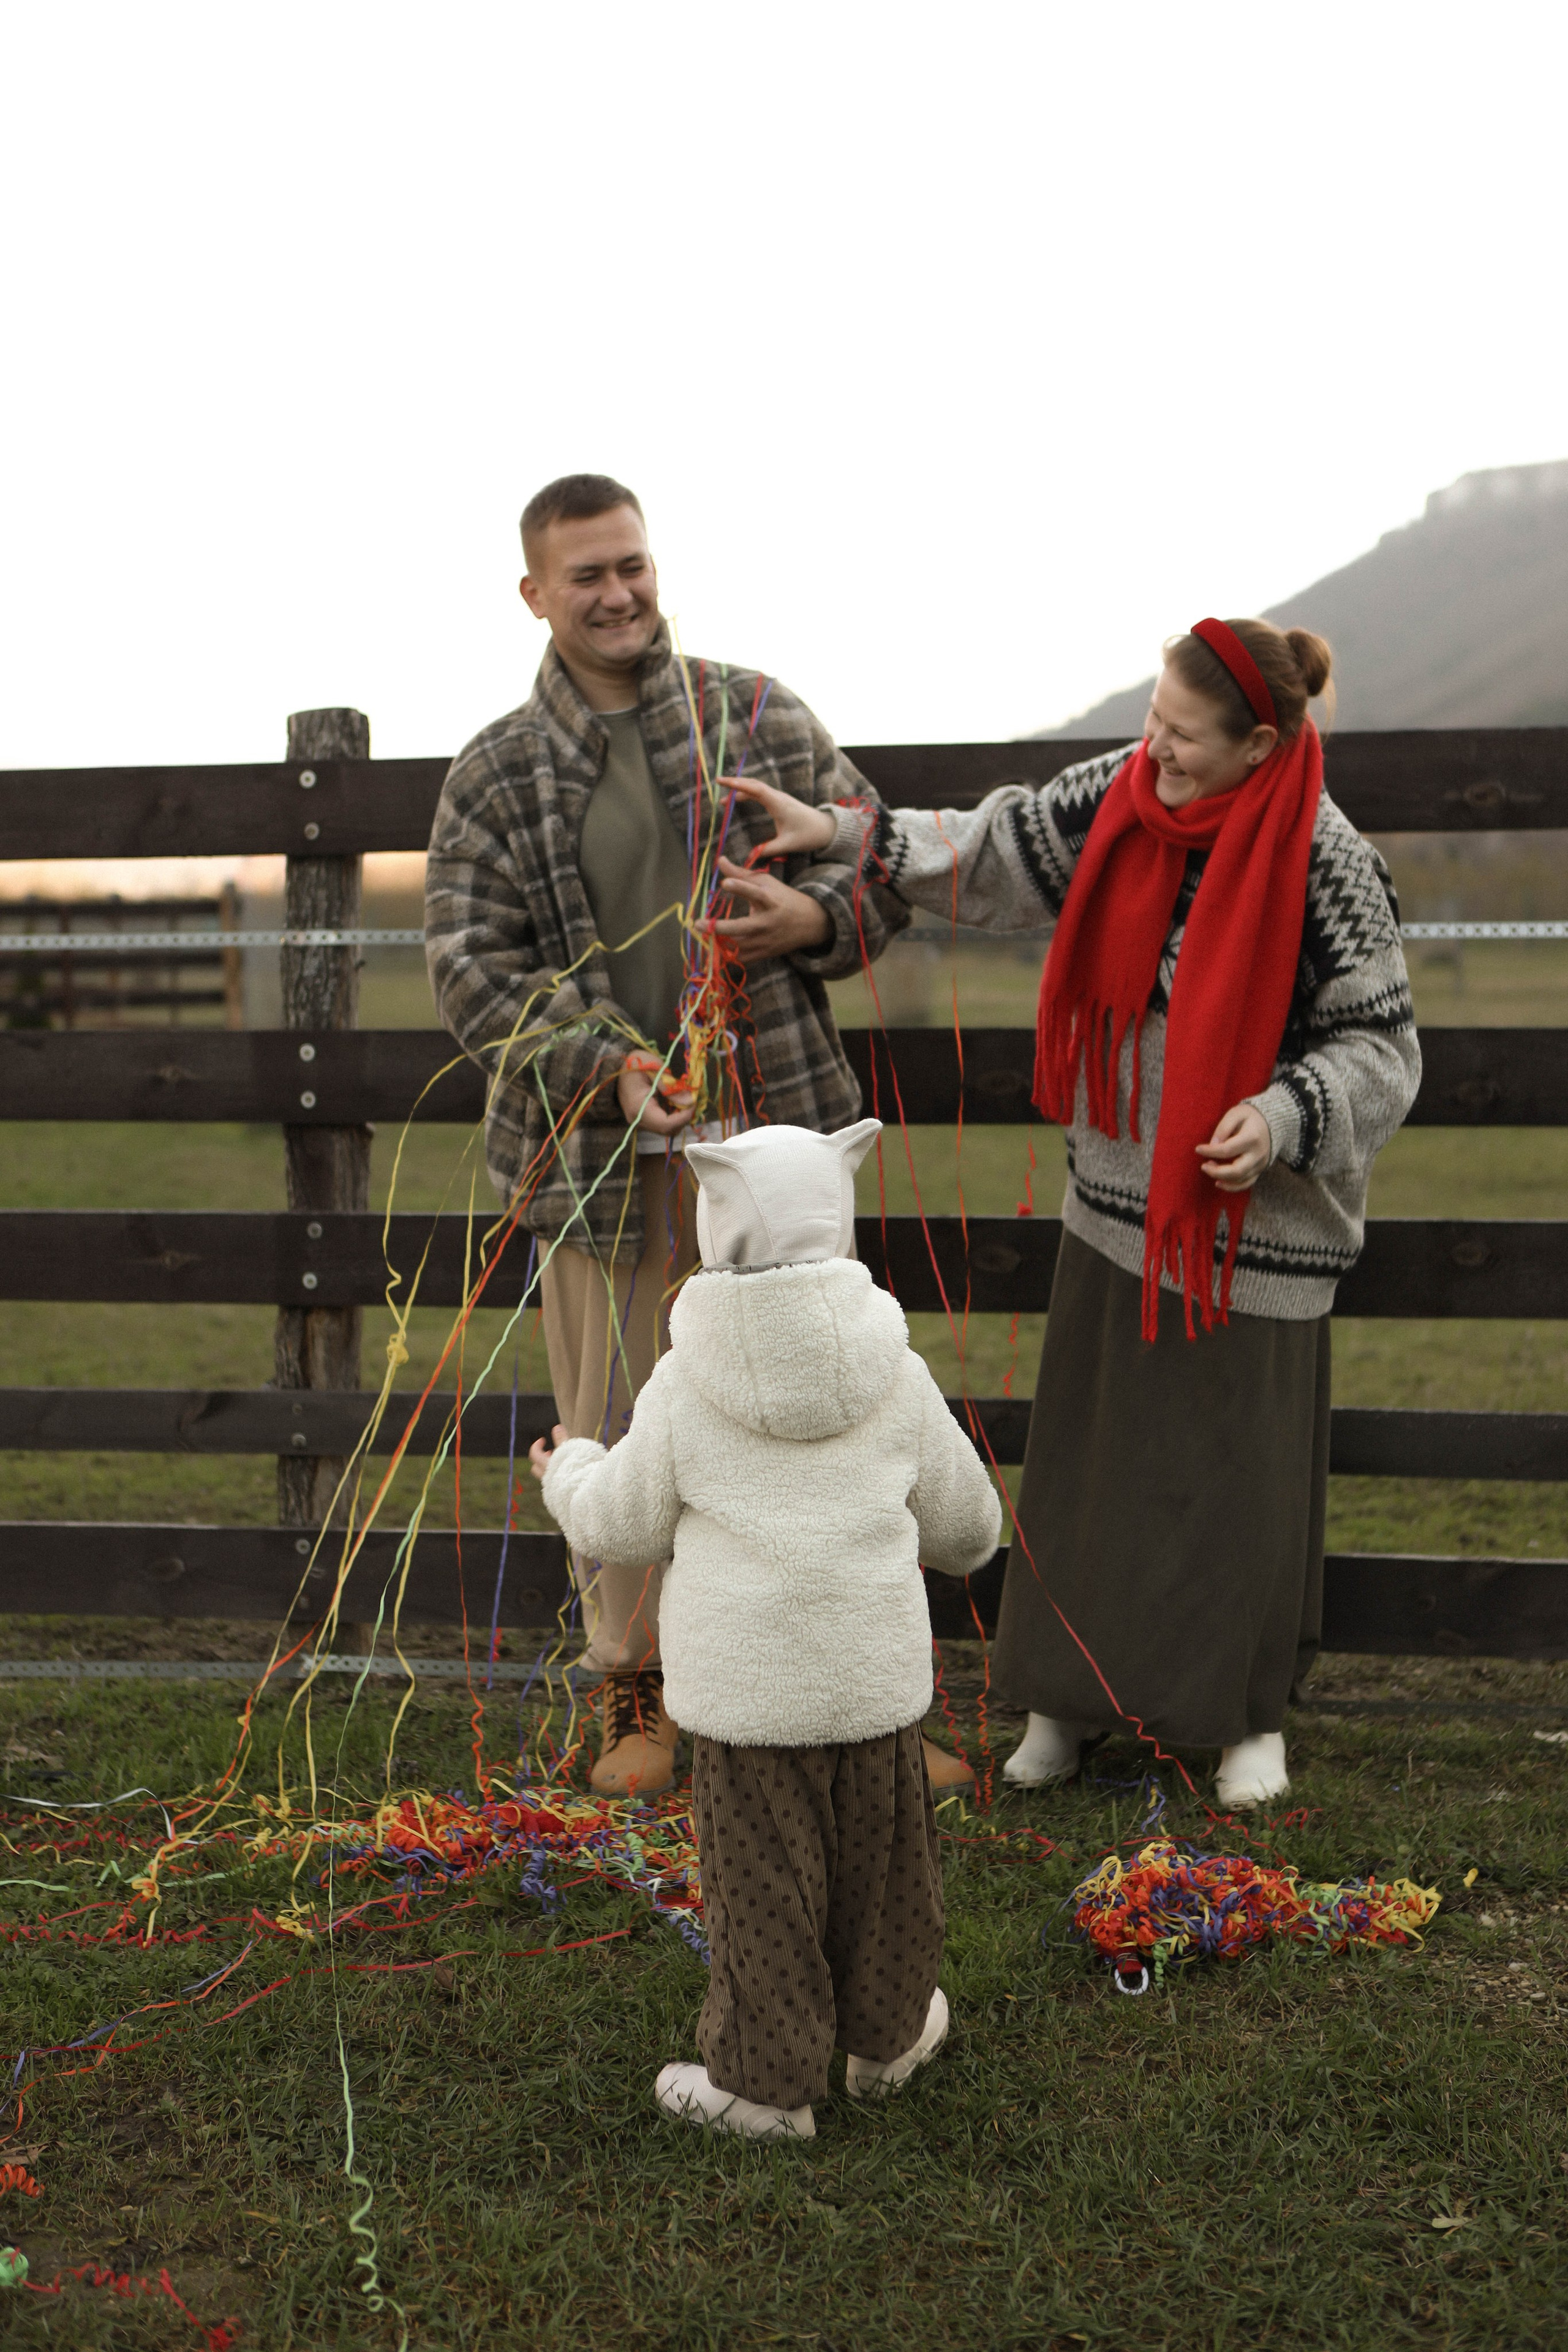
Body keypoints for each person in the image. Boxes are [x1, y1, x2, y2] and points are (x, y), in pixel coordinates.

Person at [727, 618, 1422, 1808]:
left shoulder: (1327, 862)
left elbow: (1380, 1045)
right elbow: (998, 849)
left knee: (1232, 1477)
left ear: (1259, 742)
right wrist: (844, 833)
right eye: (1150, 722)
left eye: (1181, 737)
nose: (1151, 752)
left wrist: (1286, 1114)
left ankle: (1243, 1718)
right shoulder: (1124, 792)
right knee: (1095, 1468)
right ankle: (1067, 1703)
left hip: (1258, 1231)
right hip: (1115, 1198)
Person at [425, 473, 975, 1798]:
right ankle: (640, 1697)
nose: (616, 593)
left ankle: (867, 1694)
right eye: (584, 576)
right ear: (532, 595)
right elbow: (463, 961)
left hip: (775, 1147)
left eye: (630, 564)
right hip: (595, 1158)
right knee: (614, 1416)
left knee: (824, 1414)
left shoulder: (754, 713)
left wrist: (813, 925)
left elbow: (869, 862)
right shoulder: (495, 772)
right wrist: (600, 1065)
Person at [529, 1120, 1003, 2139]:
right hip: (874, 1694)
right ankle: (888, 2039)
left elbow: (622, 1522)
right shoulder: (897, 1370)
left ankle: (766, 2086)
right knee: (884, 1879)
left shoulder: (687, 1379)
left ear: (717, 1214)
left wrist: (566, 1469)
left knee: (765, 1894)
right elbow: (972, 1533)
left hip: (748, 1706)